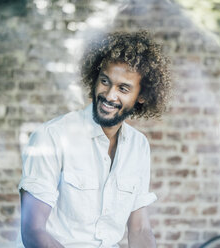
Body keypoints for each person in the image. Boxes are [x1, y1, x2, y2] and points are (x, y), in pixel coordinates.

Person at [17, 30, 171, 248]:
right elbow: (33, 231)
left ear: (142, 96)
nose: (109, 95)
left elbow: (140, 229)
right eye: (105, 81)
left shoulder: (139, 146)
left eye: (123, 88)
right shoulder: (52, 136)